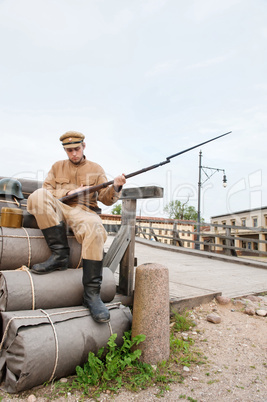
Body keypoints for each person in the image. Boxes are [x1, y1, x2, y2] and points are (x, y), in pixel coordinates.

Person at [27, 131, 126, 323]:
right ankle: (60, 255)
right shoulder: (57, 167)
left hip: (84, 212)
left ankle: (91, 295)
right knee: (37, 196)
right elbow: (47, 190)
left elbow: (106, 199)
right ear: (65, 150)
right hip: (60, 207)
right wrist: (71, 191)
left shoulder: (96, 168)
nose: (73, 153)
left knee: (95, 228)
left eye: (77, 149)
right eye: (69, 150)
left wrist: (116, 187)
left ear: (84, 146)